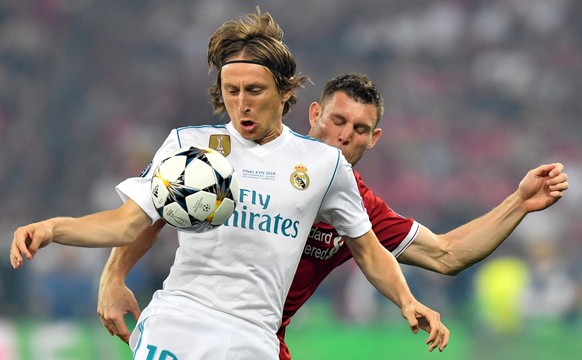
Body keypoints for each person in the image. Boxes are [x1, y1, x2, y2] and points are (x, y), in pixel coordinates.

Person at [9, 11, 449, 360]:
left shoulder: (323, 164)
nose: (241, 103)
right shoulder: (189, 146)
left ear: (284, 91)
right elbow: (126, 225)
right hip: (179, 321)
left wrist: (406, 301)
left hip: (254, 339)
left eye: (254, 90)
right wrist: (53, 228)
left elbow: (368, 249)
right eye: (231, 90)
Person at [96, 73, 569, 359]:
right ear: (314, 115)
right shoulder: (246, 153)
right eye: (337, 122)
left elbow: (446, 254)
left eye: (360, 129)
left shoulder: (356, 205)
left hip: (257, 340)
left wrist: (518, 203)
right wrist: (113, 278)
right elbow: (153, 209)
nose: (345, 135)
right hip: (193, 323)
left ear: (374, 139)